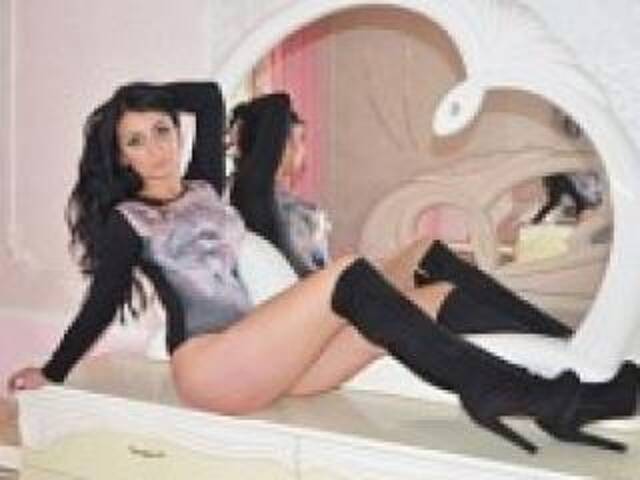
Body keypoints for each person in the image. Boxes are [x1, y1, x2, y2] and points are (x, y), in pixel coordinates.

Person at [6, 81, 638, 455]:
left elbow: (209, 97)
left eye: (162, 131)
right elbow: (100, 303)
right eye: (135, 141)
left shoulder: (203, 185)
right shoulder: (129, 220)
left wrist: (139, 98)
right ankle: (519, 394)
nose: (155, 149)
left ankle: (575, 363)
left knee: (435, 285)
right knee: (347, 276)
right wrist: (54, 372)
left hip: (272, 362)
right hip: (212, 366)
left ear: (178, 133)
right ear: (120, 157)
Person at [229, 93, 330, 277]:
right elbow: (306, 274)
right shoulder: (292, 212)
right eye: (300, 139)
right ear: (280, 145)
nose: (303, 150)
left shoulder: (229, 192)